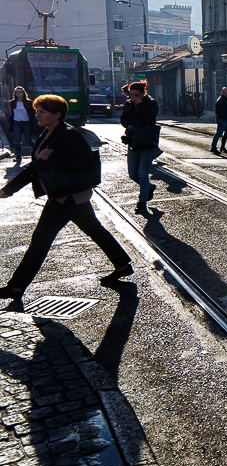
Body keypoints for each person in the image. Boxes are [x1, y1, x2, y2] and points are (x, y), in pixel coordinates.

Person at [0, 95, 132, 309]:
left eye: (42, 111)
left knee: (39, 241)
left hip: (65, 197)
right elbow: (35, 167)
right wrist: (8, 189)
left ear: (57, 114)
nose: (37, 115)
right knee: (95, 230)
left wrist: (50, 158)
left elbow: (84, 163)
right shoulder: (49, 133)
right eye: (37, 111)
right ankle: (122, 264)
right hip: (68, 196)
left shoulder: (69, 135)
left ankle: (16, 287)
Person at [120, 81, 160, 213]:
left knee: (143, 173)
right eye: (131, 95)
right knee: (133, 174)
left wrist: (140, 105)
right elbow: (123, 118)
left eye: (136, 95)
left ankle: (142, 202)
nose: (133, 97)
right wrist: (128, 125)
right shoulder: (128, 104)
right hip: (133, 140)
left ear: (143, 93)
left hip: (147, 140)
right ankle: (149, 187)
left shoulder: (151, 103)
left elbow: (150, 118)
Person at [8, 86, 35, 166]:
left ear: (23, 93)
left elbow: (32, 115)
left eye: (20, 92)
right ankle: (18, 156)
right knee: (17, 140)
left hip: (26, 123)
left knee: (28, 140)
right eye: (17, 92)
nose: (18, 93)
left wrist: (32, 124)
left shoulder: (29, 102)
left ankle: (38, 150)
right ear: (15, 94)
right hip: (16, 123)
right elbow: (12, 113)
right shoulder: (13, 102)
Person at [210, 87, 227, 155]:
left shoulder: (225, 100)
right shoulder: (221, 101)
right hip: (222, 120)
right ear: (224, 93)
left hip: (226, 120)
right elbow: (223, 112)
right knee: (219, 134)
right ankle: (213, 147)